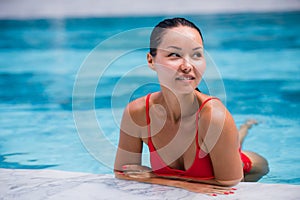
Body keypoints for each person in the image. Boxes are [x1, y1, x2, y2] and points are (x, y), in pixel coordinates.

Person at [114, 17, 269, 196]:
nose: (187, 66)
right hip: (212, 145)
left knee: (235, 144)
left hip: (250, 169)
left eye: (196, 54)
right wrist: (180, 184)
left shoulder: (214, 116)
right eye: (174, 55)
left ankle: (245, 127)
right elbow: (122, 172)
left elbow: (228, 186)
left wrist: (151, 176)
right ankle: (244, 128)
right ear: (151, 60)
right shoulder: (138, 113)